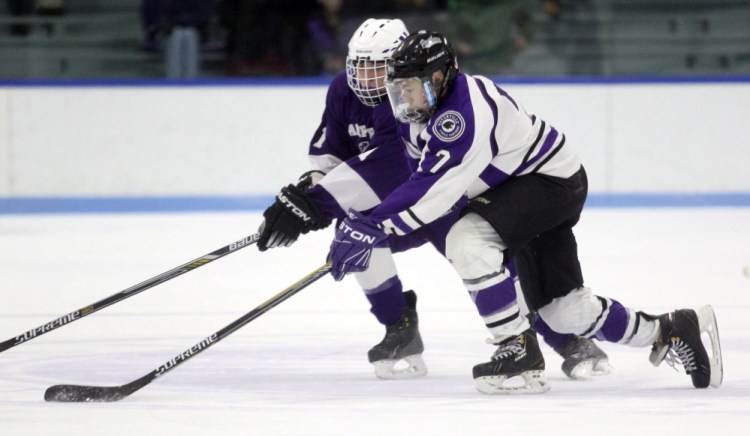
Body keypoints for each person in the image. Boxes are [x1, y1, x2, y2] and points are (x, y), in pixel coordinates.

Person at [327, 30, 723, 394]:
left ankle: (516, 349)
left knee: (468, 240)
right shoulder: (415, 118)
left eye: (409, 88)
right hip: (511, 197)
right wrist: (381, 231)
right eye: (398, 90)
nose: (403, 100)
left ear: (436, 79)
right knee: (565, 312)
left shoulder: (463, 113)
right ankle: (670, 329)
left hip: (548, 183)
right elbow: (427, 195)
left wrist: (371, 228)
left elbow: (431, 191)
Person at [257, 19, 611, 382]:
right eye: (359, 65)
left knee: (485, 264)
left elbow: (390, 168)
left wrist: (317, 202)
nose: (365, 78)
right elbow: (332, 155)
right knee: (356, 238)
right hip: (400, 204)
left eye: (376, 66)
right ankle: (400, 327)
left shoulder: (416, 100)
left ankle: (565, 340)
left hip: (440, 199)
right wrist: (303, 196)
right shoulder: (342, 92)